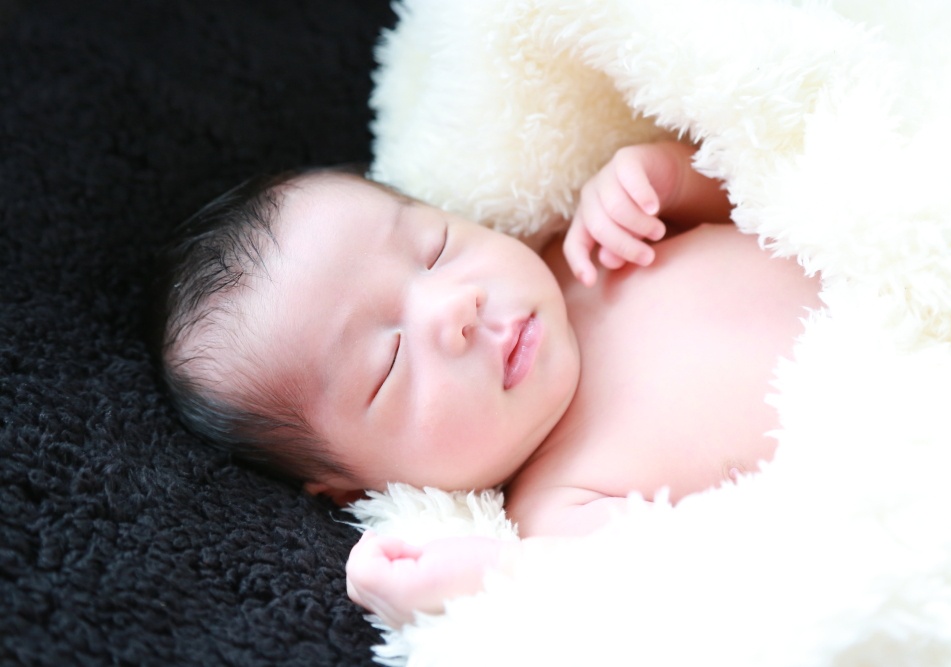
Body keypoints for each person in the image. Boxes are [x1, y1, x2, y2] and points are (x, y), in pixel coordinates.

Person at [155, 139, 822, 627]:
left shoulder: (593, 245)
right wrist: (486, 577)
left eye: (436, 249)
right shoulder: (559, 505)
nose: (455, 307)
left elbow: (763, 185)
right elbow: (672, 578)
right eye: (391, 363)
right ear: (360, 487)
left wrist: (664, 178)